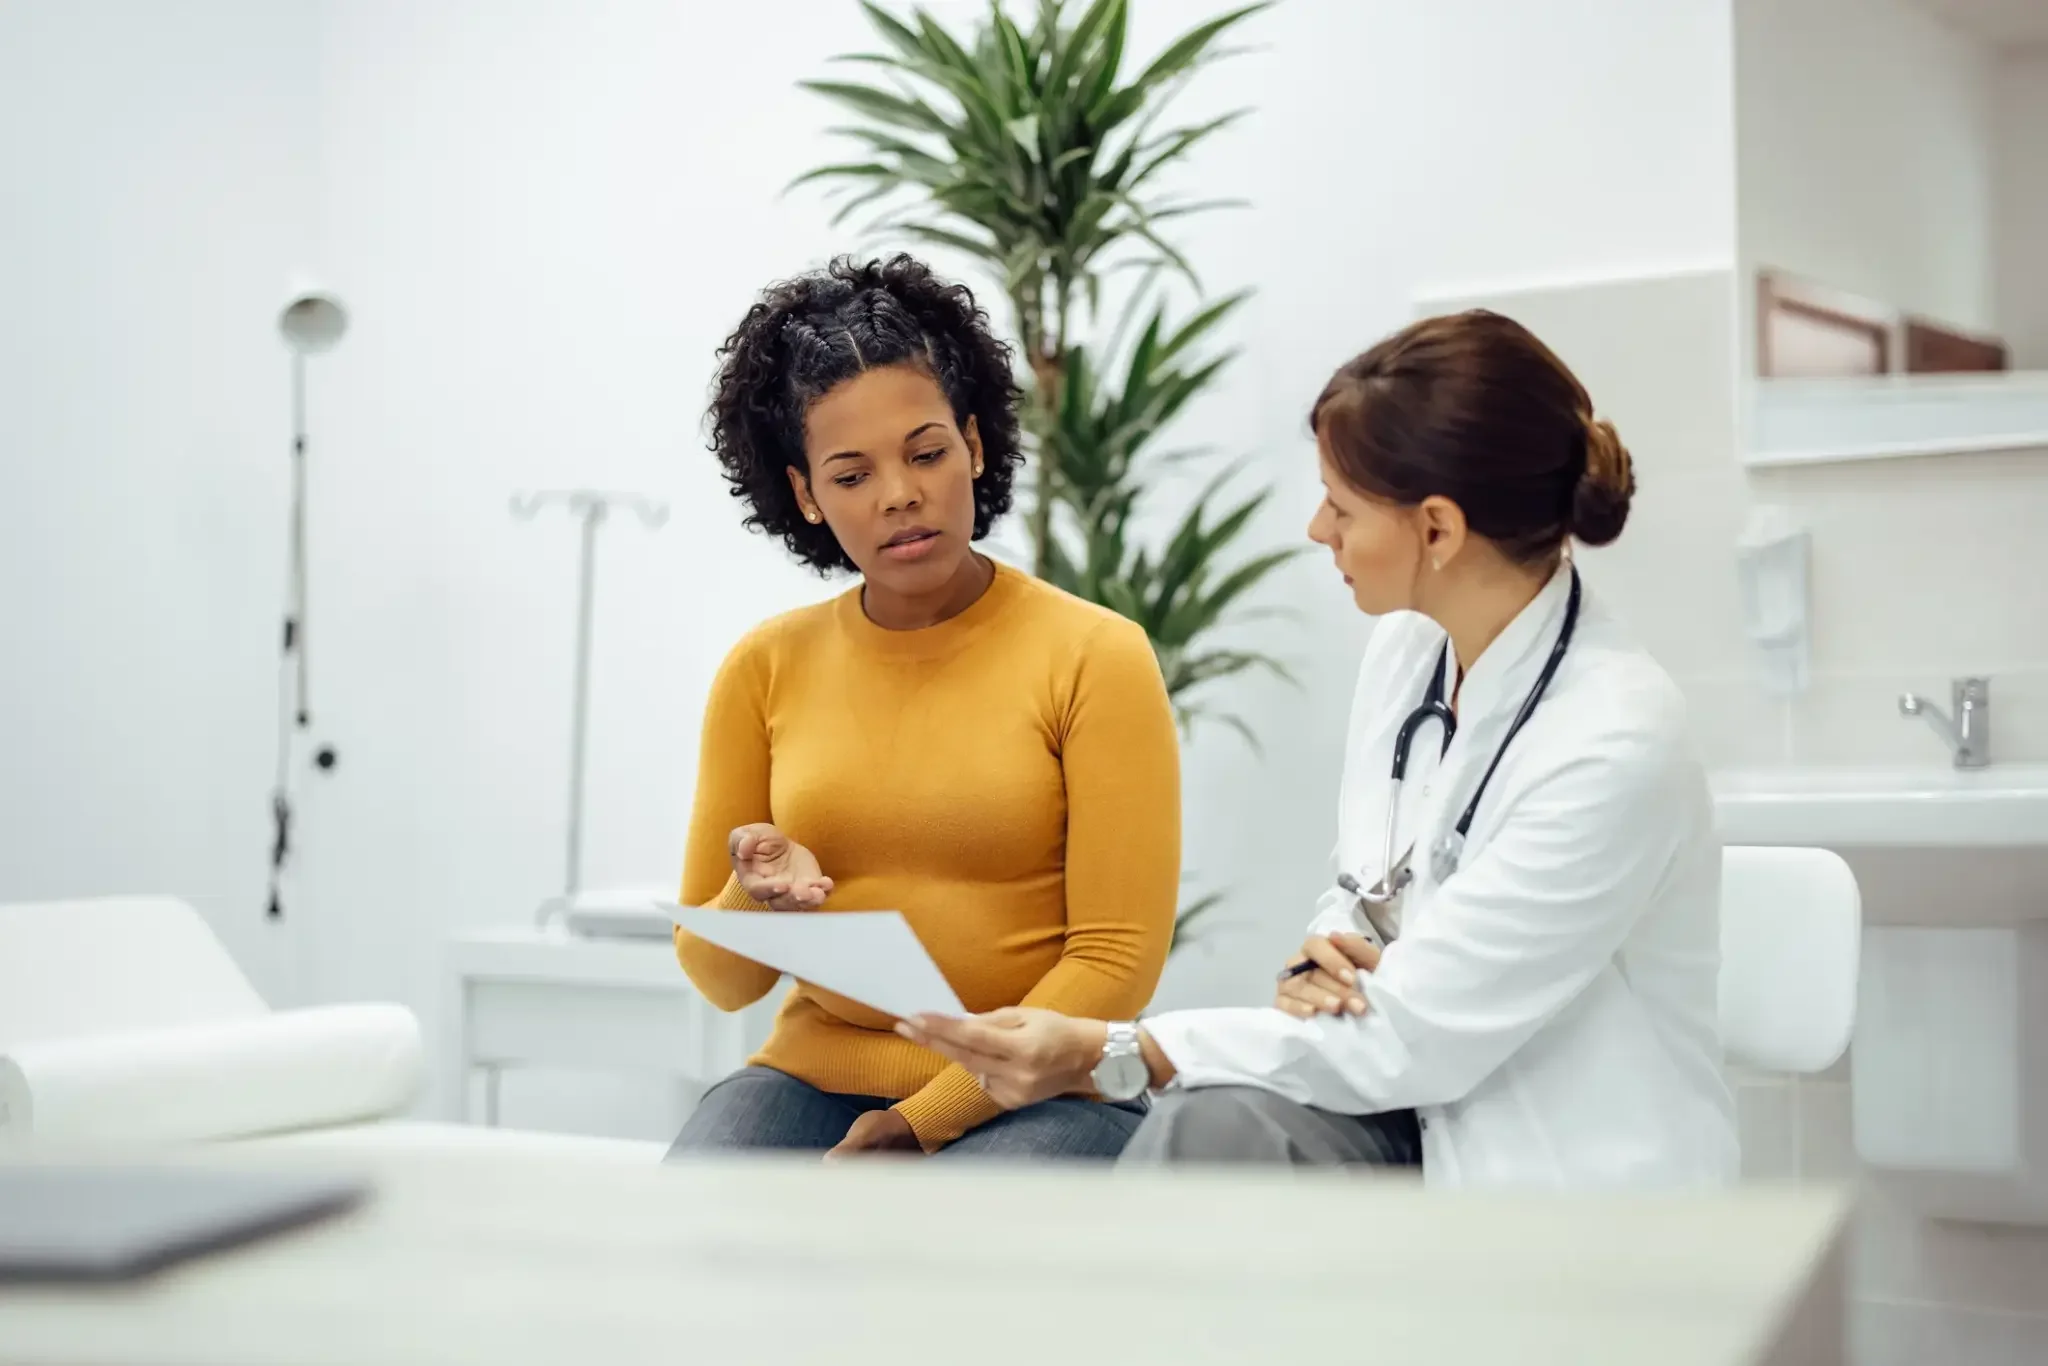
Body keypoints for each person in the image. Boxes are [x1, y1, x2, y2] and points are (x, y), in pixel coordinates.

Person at [901, 310, 1741, 1188]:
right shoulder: (1411, 650)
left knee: (1207, 1128)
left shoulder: (1614, 740)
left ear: (1439, 531)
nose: (1316, 529)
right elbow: (1364, 891)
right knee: (1213, 1126)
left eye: (1341, 506)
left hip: (1560, 1173)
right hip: (1411, 1112)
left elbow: (1416, 1032)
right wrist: (1323, 953)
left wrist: (1113, 1051)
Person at [667, 255, 1180, 1161]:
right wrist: (755, 895)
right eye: (852, 473)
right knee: (705, 1219)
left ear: (975, 448)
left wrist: (921, 1121)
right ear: (806, 496)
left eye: (927, 452)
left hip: (1044, 1088)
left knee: (941, 1260)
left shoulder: (1095, 656)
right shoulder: (764, 668)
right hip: (815, 1073)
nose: (901, 493)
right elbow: (718, 977)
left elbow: (1114, 965)